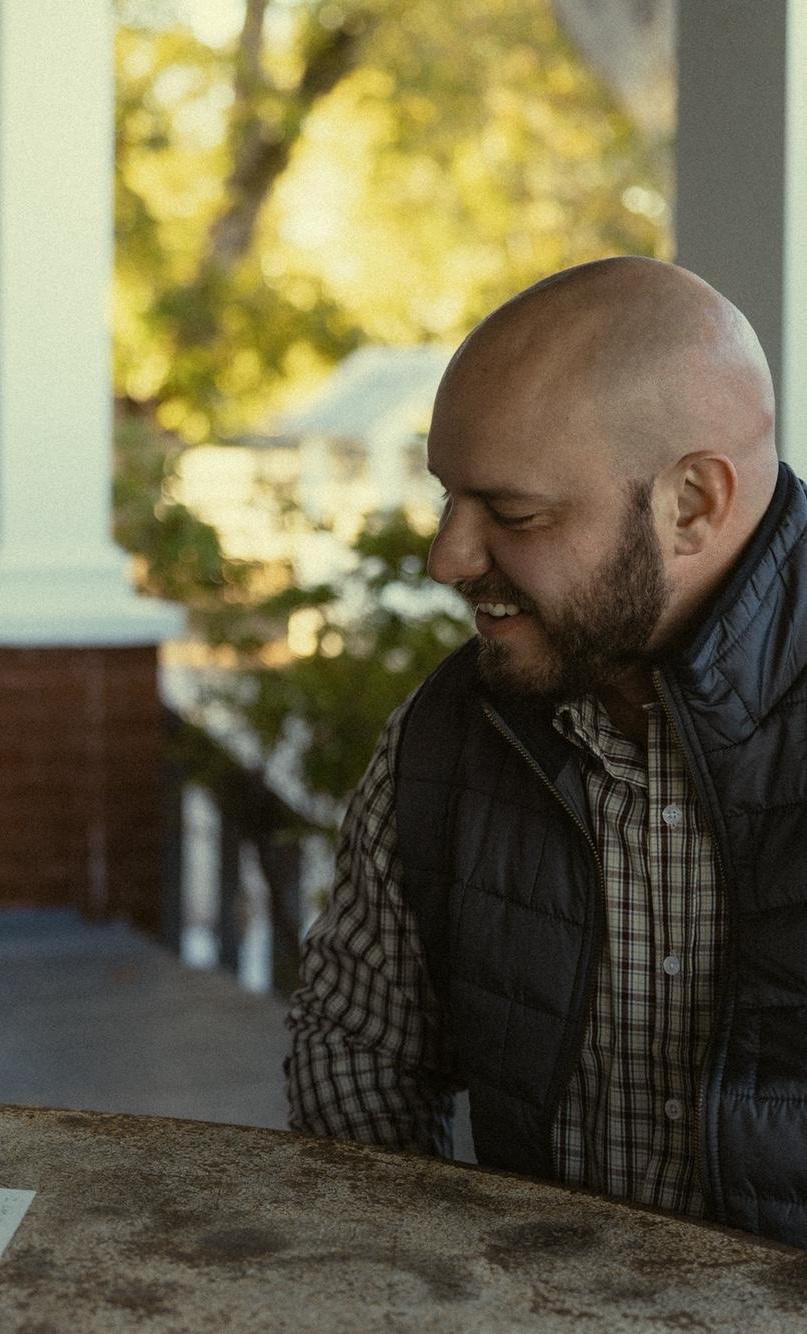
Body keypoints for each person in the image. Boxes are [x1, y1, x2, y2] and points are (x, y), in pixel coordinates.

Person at [285, 255, 807, 1248]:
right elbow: (359, 1045)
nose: (447, 557)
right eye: (447, 498)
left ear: (692, 503)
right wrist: (414, 1277)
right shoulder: (448, 730)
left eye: (513, 514)